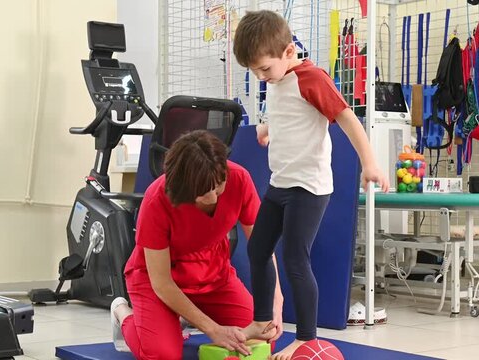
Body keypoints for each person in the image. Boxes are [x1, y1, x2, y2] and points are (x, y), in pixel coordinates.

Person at [233, 10, 390, 360]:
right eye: (255, 71)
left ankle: (306, 337)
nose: (261, 77)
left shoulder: (311, 78)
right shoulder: (277, 80)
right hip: (281, 182)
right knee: (258, 249)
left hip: (309, 187)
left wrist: (369, 163)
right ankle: (262, 321)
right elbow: (285, 112)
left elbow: (347, 118)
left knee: (294, 257)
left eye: (264, 69)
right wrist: (266, 128)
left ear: (289, 52)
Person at [110, 130, 284, 359]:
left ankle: (181, 317)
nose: (213, 197)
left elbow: (263, 248)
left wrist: (275, 300)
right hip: (157, 280)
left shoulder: (239, 179)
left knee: (260, 341)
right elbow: (161, 282)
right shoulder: (156, 200)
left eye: (218, 186)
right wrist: (212, 329)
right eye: (203, 193)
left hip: (212, 274)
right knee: (163, 355)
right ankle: (122, 313)